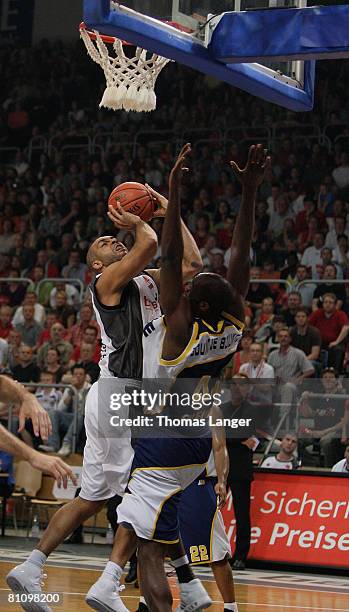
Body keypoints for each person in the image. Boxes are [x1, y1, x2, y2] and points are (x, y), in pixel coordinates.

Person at [7, 176, 201, 611]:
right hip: (122, 393)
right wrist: (142, 217)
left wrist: (171, 210)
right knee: (144, 489)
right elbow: (148, 242)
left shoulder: (148, 283)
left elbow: (190, 263)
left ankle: (31, 566)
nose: (113, 240)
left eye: (116, 238)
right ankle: (113, 582)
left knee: (93, 496)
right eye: (104, 242)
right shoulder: (105, 286)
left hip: (123, 397)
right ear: (96, 265)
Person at [90, 144, 269, 612]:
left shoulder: (179, 327)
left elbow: (169, 260)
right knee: (163, 535)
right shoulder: (234, 321)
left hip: (163, 433)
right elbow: (241, 252)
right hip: (196, 441)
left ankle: (116, 584)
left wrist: (171, 193)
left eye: (196, 289)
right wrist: (249, 191)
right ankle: (185, 590)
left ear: (198, 306)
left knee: (147, 546)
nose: (194, 283)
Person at [299, 368, 346, 467]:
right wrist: (305, 400)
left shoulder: (342, 397)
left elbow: (344, 421)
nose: (328, 379)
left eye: (331, 377)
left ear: (337, 380)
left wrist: (325, 432)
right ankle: (313, 463)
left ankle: (330, 470)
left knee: (326, 442)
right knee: (297, 440)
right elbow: (307, 414)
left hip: (335, 431)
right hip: (316, 430)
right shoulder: (318, 395)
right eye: (325, 377)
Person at [268, 329, 314, 409]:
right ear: (277, 339)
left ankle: (284, 417)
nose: (283, 338)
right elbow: (268, 372)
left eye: (286, 336)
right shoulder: (272, 355)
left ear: (290, 339)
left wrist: (298, 379)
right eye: (280, 336)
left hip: (292, 386)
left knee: (287, 387)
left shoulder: (298, 353)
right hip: (276, 385)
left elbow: (310, 370)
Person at [308, 293, 349, 372]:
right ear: (322, 304)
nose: (327, 304)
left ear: (335, 304)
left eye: (330, 302)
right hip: (318, 343)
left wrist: (336, 341)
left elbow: (346, 328)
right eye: (325, 302)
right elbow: (308, 326)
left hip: (334, 343)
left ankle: (334, 374)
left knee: (338, 349)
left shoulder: (340, 314)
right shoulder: (317, 313)